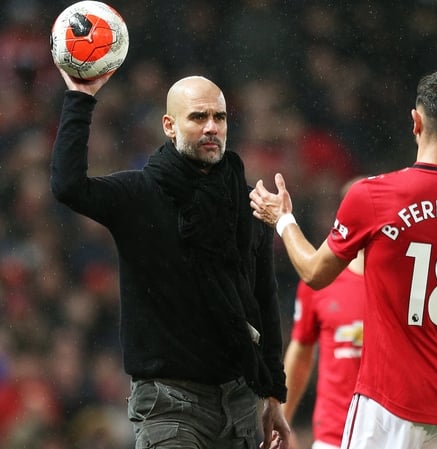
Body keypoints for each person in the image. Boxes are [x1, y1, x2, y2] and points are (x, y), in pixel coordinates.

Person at [250, 69, 437, 449]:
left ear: (416, 122)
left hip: (387, 403)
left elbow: (313, 273)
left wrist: (283, 220)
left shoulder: (375, 196)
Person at [49, 67, 290, 449]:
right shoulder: (139, 194)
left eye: (220, 117)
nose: (212, 127)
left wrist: (274, 394)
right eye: (198, 117)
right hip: (168, 406)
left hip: (239, 404)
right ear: (169, 125)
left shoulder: (249, 204)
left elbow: (263, 300)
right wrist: (80, 97)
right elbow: (68, 186)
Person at [282, 178, 368, 449]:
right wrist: (282, 419)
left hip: (393, 435)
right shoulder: (319, 279)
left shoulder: (404, 280)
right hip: (333, 436)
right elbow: (301, 350)